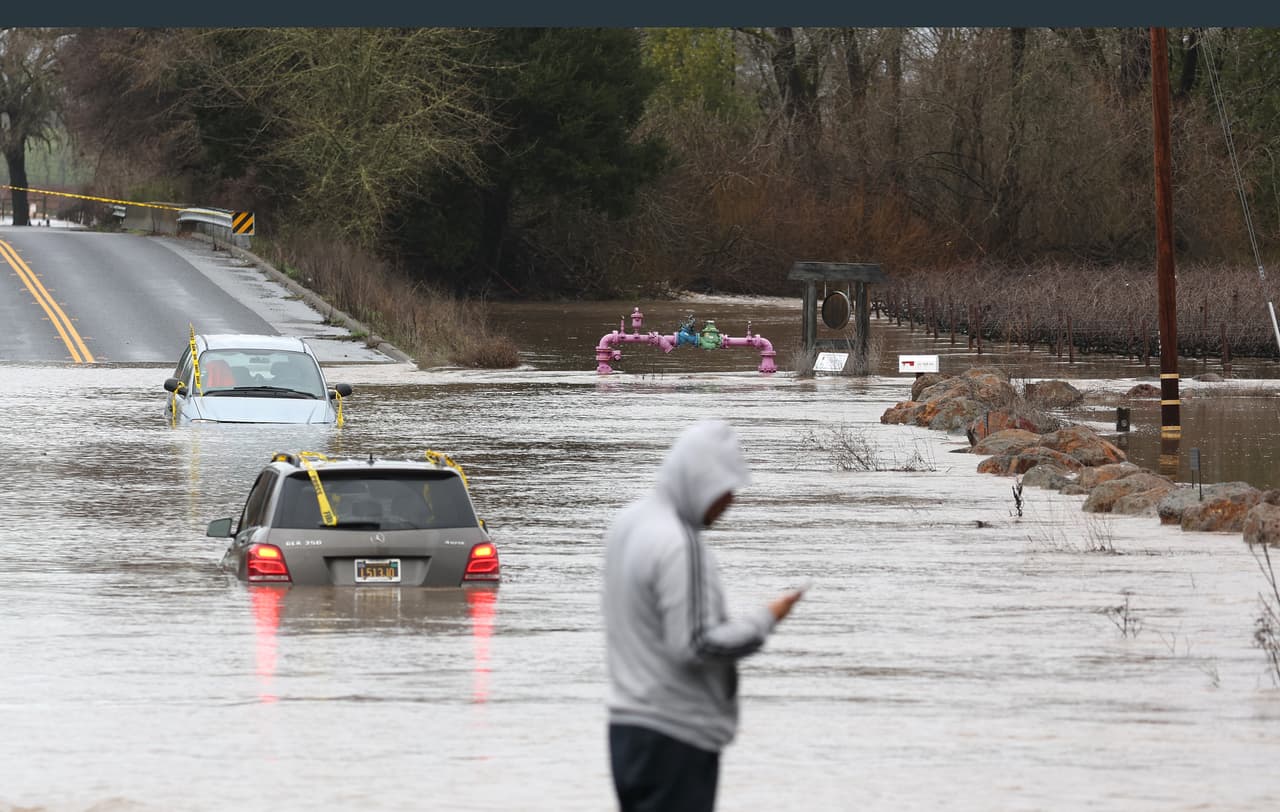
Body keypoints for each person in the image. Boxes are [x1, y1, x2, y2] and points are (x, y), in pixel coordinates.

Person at [602, 419, 804, 812]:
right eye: (725, 489)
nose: (731, 501)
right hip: (676, 736)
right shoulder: (679, 542)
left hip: (627, 731)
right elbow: (696, 643)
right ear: (699, 480)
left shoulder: (627, 524)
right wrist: (767, 619)